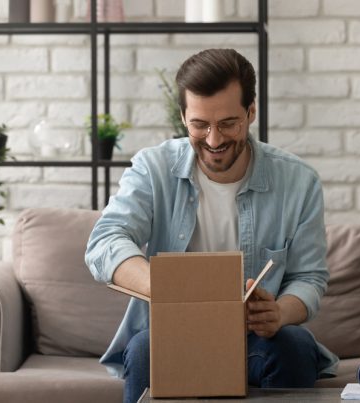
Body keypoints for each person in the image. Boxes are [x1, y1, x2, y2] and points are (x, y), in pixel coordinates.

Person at [85, 48, 339, 403]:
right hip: (172, 332)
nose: (214, 140)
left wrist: (280, 312)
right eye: (200, 125)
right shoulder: (152, 168)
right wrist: (167, 289)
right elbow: (105, 242)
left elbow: (309, 277)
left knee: (294, 345)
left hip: (258, 340)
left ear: (251, 113)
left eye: (228, 124)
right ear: (183, 117)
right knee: (145, 350)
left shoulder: (299, 181)